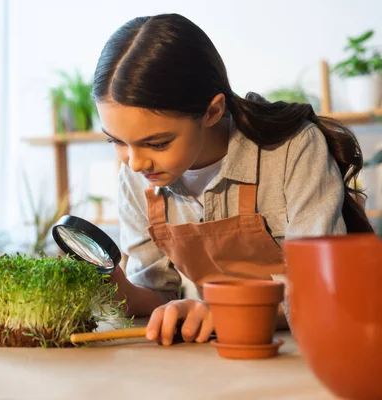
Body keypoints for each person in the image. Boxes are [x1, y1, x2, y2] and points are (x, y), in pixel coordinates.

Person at [92, 13, 373, 346]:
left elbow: (320, 290)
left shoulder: (293, 149)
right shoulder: (136, 176)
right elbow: (157, 296)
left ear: (211, 111)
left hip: (317, 345)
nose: (135, 162)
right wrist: (122, 289)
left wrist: (227, 313)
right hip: (220, 350)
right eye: (117, 141)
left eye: (157, 143)